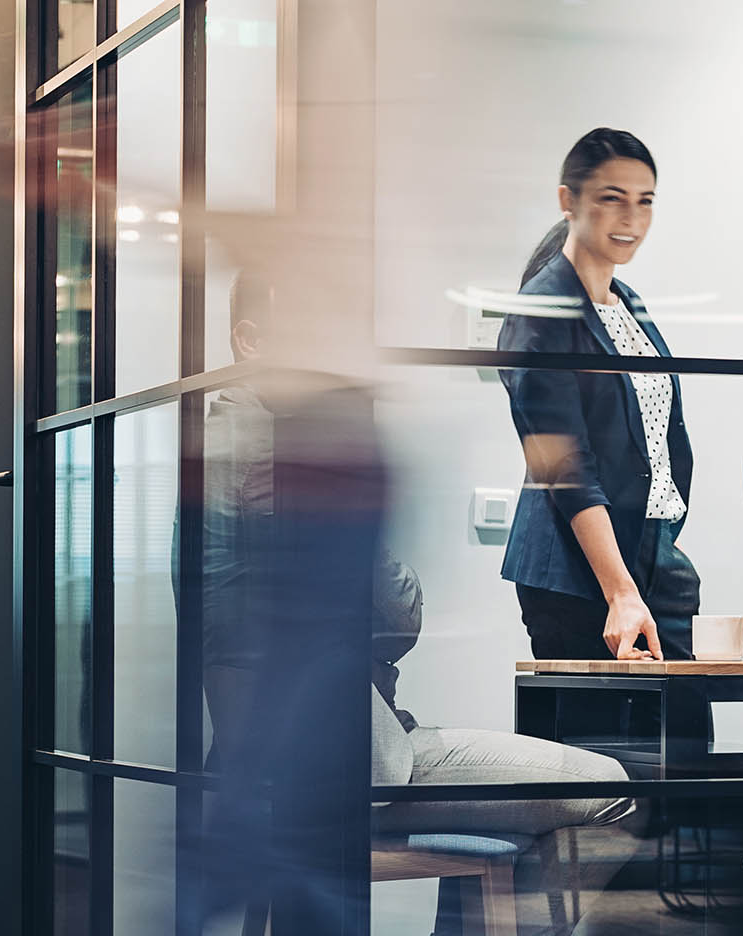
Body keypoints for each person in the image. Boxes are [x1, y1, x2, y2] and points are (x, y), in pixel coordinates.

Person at [198, 270, 638, 933]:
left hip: (287, 757)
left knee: (531, 824)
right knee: (614, 791)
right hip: (361, 766)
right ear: (250, 341)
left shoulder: (220, 443)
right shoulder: (277, 449)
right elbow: (400, 608)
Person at [500, 128, 700, 661]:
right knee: (598, 742)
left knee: (681, 735)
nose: (631, 219)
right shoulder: (541, 312)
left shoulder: (627, 303)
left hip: (654, 549)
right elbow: (568, 468)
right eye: (612, 199)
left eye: (645, 201)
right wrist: (620, 589)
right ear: (569, 201)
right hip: (580, 570)